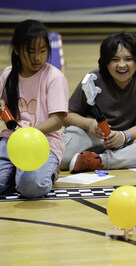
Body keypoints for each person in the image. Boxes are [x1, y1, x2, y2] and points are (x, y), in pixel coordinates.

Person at [60, 31, 136, 173]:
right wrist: (90, 124)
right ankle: (92, 158)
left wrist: (123, 136)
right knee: (59, 156)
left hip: (124, 142)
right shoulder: (93, 79)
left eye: (128, 59)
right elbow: (66, 116)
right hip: (90, 138)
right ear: (106, 62)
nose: (122, 65)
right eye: (115, 59)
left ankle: (99, 161)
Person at [0, 20, 69, 198]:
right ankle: (14, 174)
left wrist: (28, 134)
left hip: (43, 143)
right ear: (16, 49)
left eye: (43, 51)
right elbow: (4, 108)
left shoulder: (54, 77)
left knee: (30, 188)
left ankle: (50, 171)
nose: (37, 58)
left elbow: (57, 121)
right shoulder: (8, 75)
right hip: (10, 142)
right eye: (30, 52)